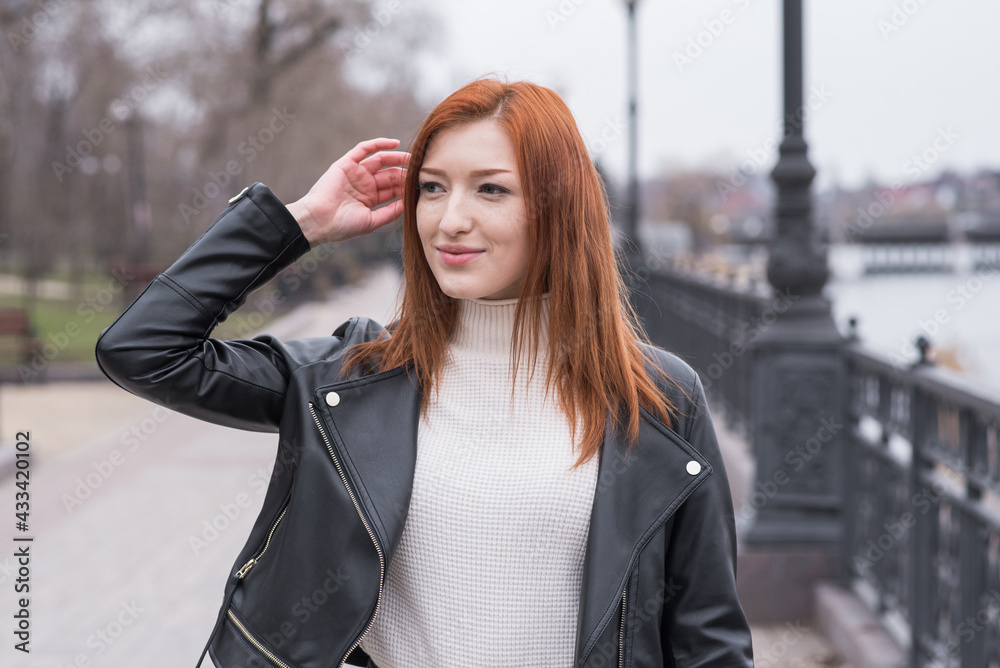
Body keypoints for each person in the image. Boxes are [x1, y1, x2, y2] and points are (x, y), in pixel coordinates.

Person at [95, 78, 754, 668]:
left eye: (490, 189)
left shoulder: (659, 400)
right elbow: (145, 349)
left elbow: (708, 641)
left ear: (558, 210)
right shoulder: (348, 382)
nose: (449, 219)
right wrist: (299, 224)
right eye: (432, 188)